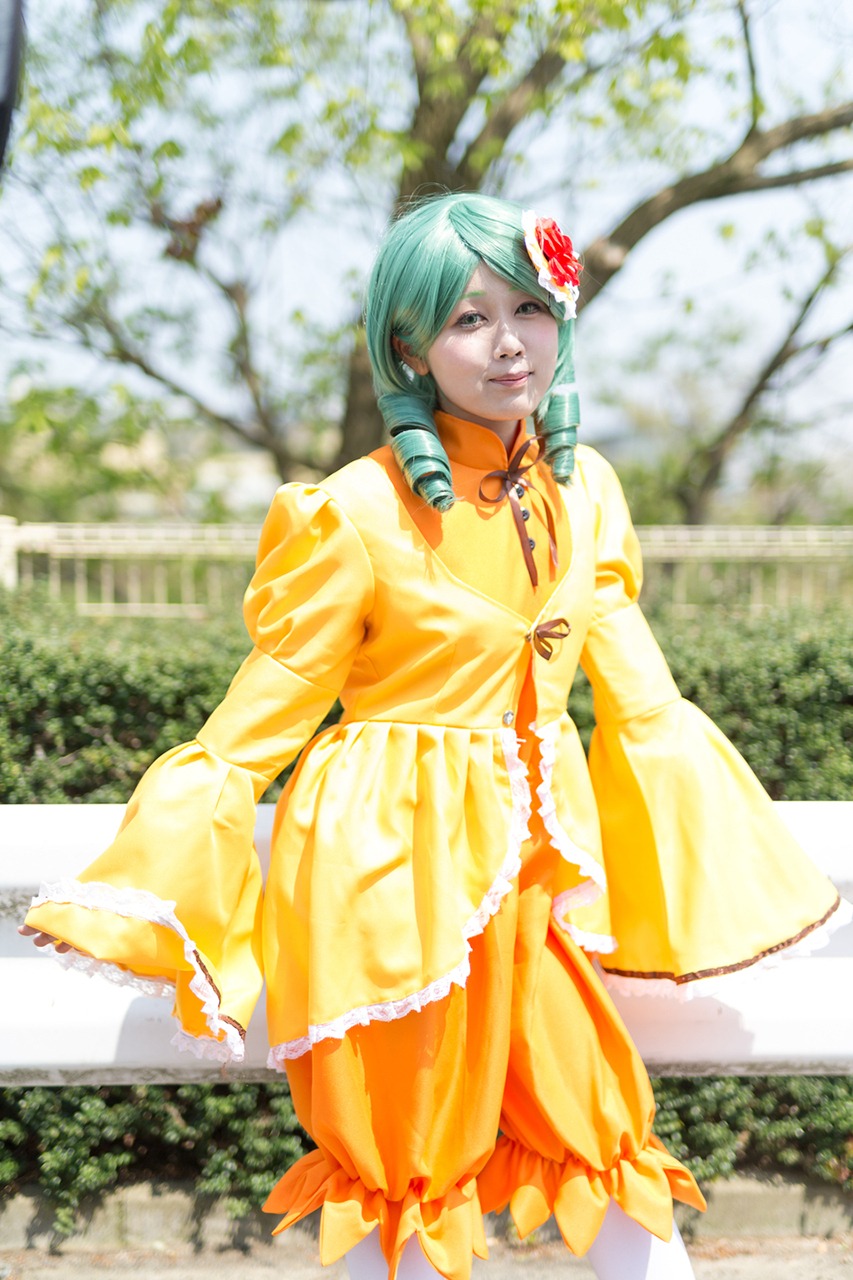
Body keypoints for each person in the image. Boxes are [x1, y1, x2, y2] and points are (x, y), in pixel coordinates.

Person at [21, 194, 849, 1280]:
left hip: (527, 882)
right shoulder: (358, 512)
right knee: (401, 1162)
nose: (509, 341)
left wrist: (719, 868)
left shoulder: (585, 492)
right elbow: (269, 702)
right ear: (407, 345)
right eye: (468, 319)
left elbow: (644, 703)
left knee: (593, 1118)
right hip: (383, 869)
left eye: (528, 307)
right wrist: (161, 856)